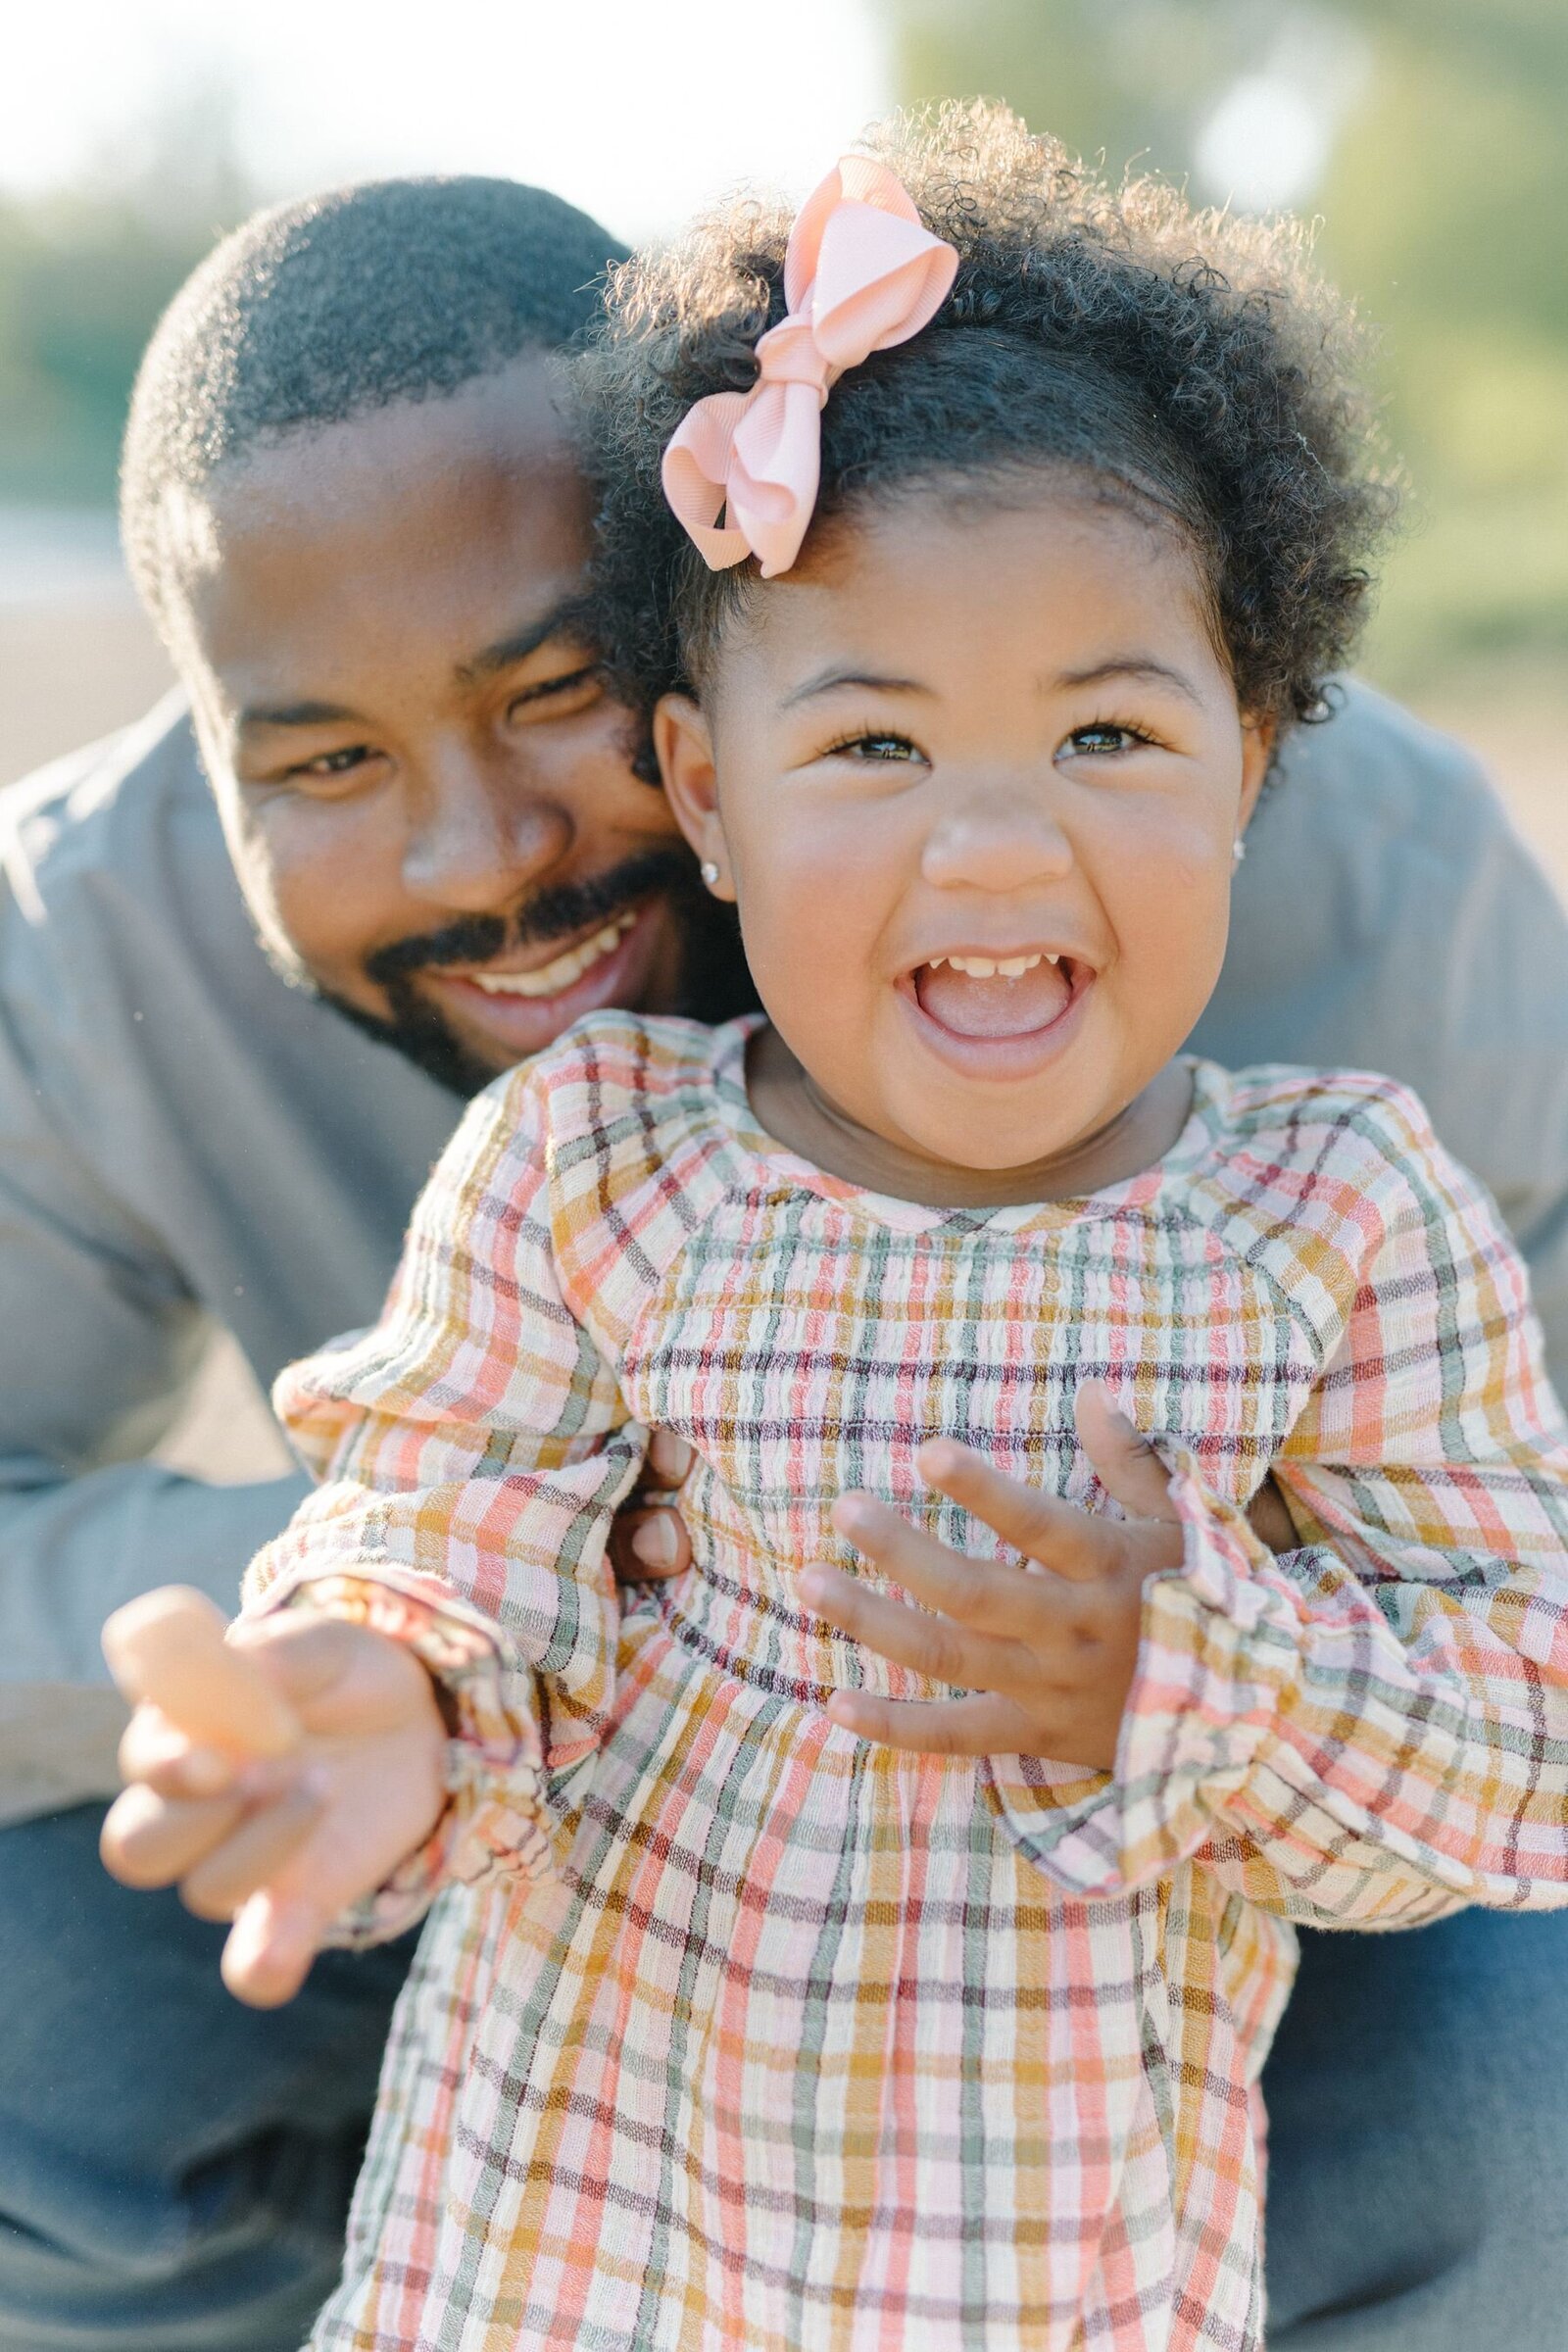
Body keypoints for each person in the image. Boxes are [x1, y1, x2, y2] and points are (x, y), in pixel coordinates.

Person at [4, 171, 1567, 2352]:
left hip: (1119, 2065)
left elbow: (1518, 1666)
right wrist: (390, 1658)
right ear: (708, 760)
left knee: (1532, 2045)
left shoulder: (1344, 1067)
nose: (479, 852)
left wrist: (1204, 1658)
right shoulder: (469, 1110)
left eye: (544, 685)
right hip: (570, 2103)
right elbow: (427, 1526)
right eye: (333, 761)